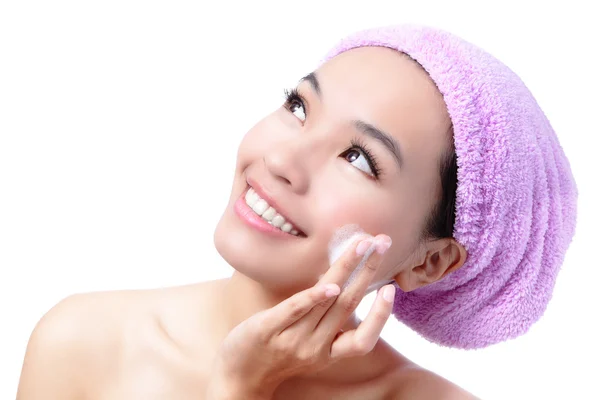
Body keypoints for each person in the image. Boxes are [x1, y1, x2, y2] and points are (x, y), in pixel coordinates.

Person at [16, 23, 577, 399]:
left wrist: (243, 386)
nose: (282, 158)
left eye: (359, 158)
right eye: (297, 106)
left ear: (430, 263)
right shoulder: (82, 341)